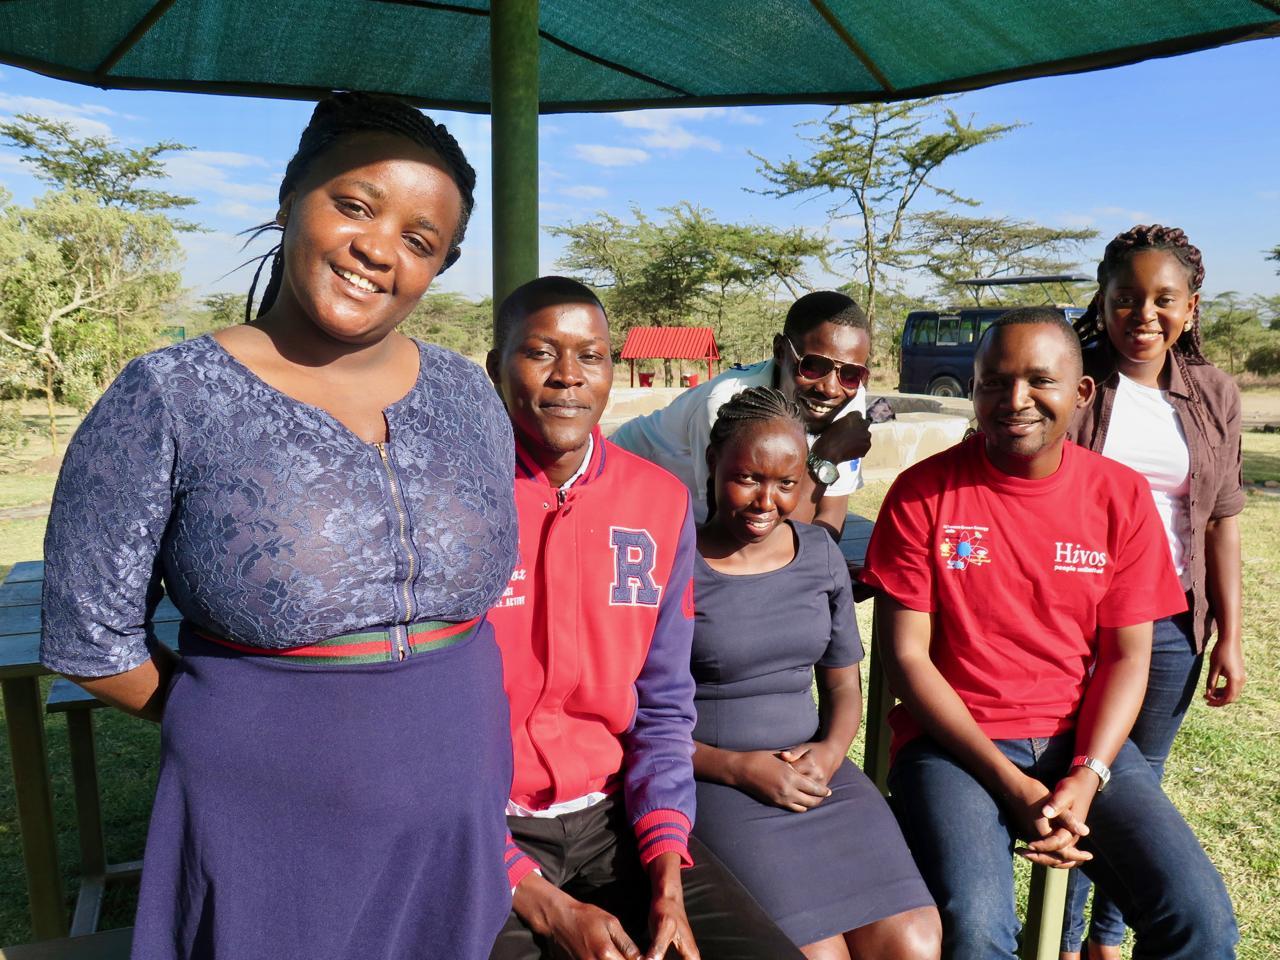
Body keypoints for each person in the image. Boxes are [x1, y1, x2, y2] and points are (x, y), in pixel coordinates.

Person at [40, 93, 519, 960]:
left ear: (438, 267)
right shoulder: (171, 396)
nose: (379, 248)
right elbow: (90, 643)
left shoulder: (467, 393)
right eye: (354, 204)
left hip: (457, 791)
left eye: (420, 240)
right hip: (266, 812)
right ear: (289, 199)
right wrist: (240, 717)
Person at [860, 308, 1238, 960]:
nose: (1015, 400)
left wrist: (1088, 775)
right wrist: (1012, 786)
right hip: (955, 750)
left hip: (1078, 745)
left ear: (1081, 391)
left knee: (1199, 919)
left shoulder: (1117, 496)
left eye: (1040, 380)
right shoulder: (923, 494)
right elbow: (906, 658)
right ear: (972, 391)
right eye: (993, 382)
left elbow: (1127, 656)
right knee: (976, 933)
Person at [485, 276, 805, 960]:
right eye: (541, 352)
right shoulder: (455, 500)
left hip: (613, 822)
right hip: (482, 831)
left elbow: (663, 705)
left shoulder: (656, 503)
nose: (568, 377)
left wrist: (665, 879)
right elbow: (415, 735)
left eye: (591, 356)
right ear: (496, 366)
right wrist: (540, 899)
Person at [688, 386, 940, 960]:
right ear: (713, 464)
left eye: (786, 482)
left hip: (817, 773)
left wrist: (829, 752)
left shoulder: (819, 554)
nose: (766, 501)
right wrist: (740, 769)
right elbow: (640, 715)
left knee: (915, 940)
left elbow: (843, 685)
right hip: (718, 780)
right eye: (748, 478)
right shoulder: (675, 562)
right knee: (815, 952)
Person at [1060, 225, 1246, 960]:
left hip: (1170, 624)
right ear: (1102, 304)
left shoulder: (1212, 395)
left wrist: (1229, 633)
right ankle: (1065, 940)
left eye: (1163, 300)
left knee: (1141, 787)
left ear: (1190, 307)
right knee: (1083, 776)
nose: (1144, 315)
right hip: (1076, 620)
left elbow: (1224, 523)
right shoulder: (1074, 381)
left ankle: (1108, 938)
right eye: (1126, 299)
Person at [611, 291, 872, 539]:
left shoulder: (849, 395)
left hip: (687, 514)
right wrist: (826, 455)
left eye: (851, 374)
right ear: (780, 352)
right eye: (814, 366)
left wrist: (822, 565)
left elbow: (830, 513)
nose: (830, 388)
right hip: (624, 487)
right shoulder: (727, 404)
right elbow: (738, 539)